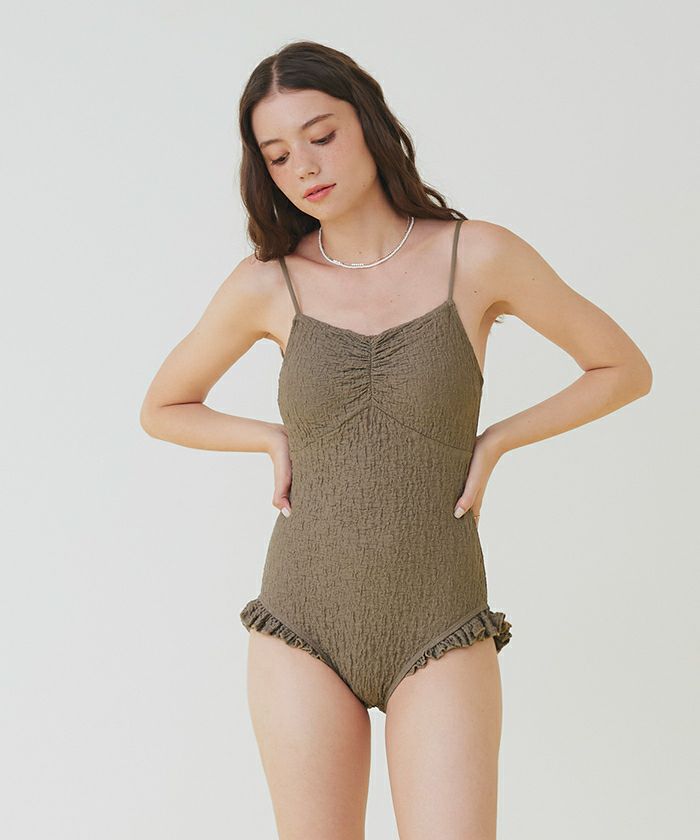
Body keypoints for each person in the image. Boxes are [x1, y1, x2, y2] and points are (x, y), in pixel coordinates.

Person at [140, 40, 652, 840]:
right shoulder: (266, 283)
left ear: (369, 123)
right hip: (301, 619)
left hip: (439, 618)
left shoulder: (476, 255)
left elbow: (622, 367)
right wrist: (268, 438)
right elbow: (164, 405)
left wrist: (496, 441)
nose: (304, 167)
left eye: (321, 135)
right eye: (278, 155)